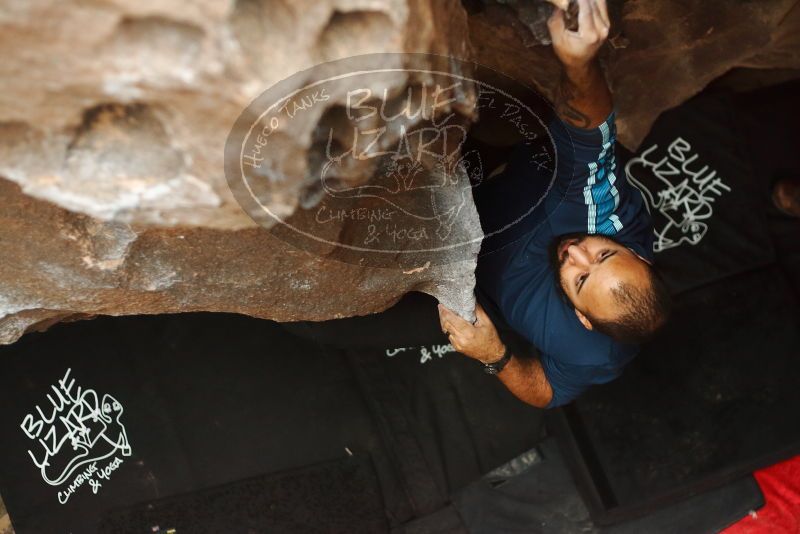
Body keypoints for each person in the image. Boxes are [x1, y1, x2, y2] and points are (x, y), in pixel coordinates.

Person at [438, 0, 672, 408]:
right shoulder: (601, 213)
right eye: (605, 253)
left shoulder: (595, 353)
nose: (577, 251)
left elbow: (548, 391)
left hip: (464, 289)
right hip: (490, 180)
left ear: (584, 319)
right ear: (638, 254)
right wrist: (580, 64)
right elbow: (593, 136)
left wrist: (494, 355)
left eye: (580, 279)